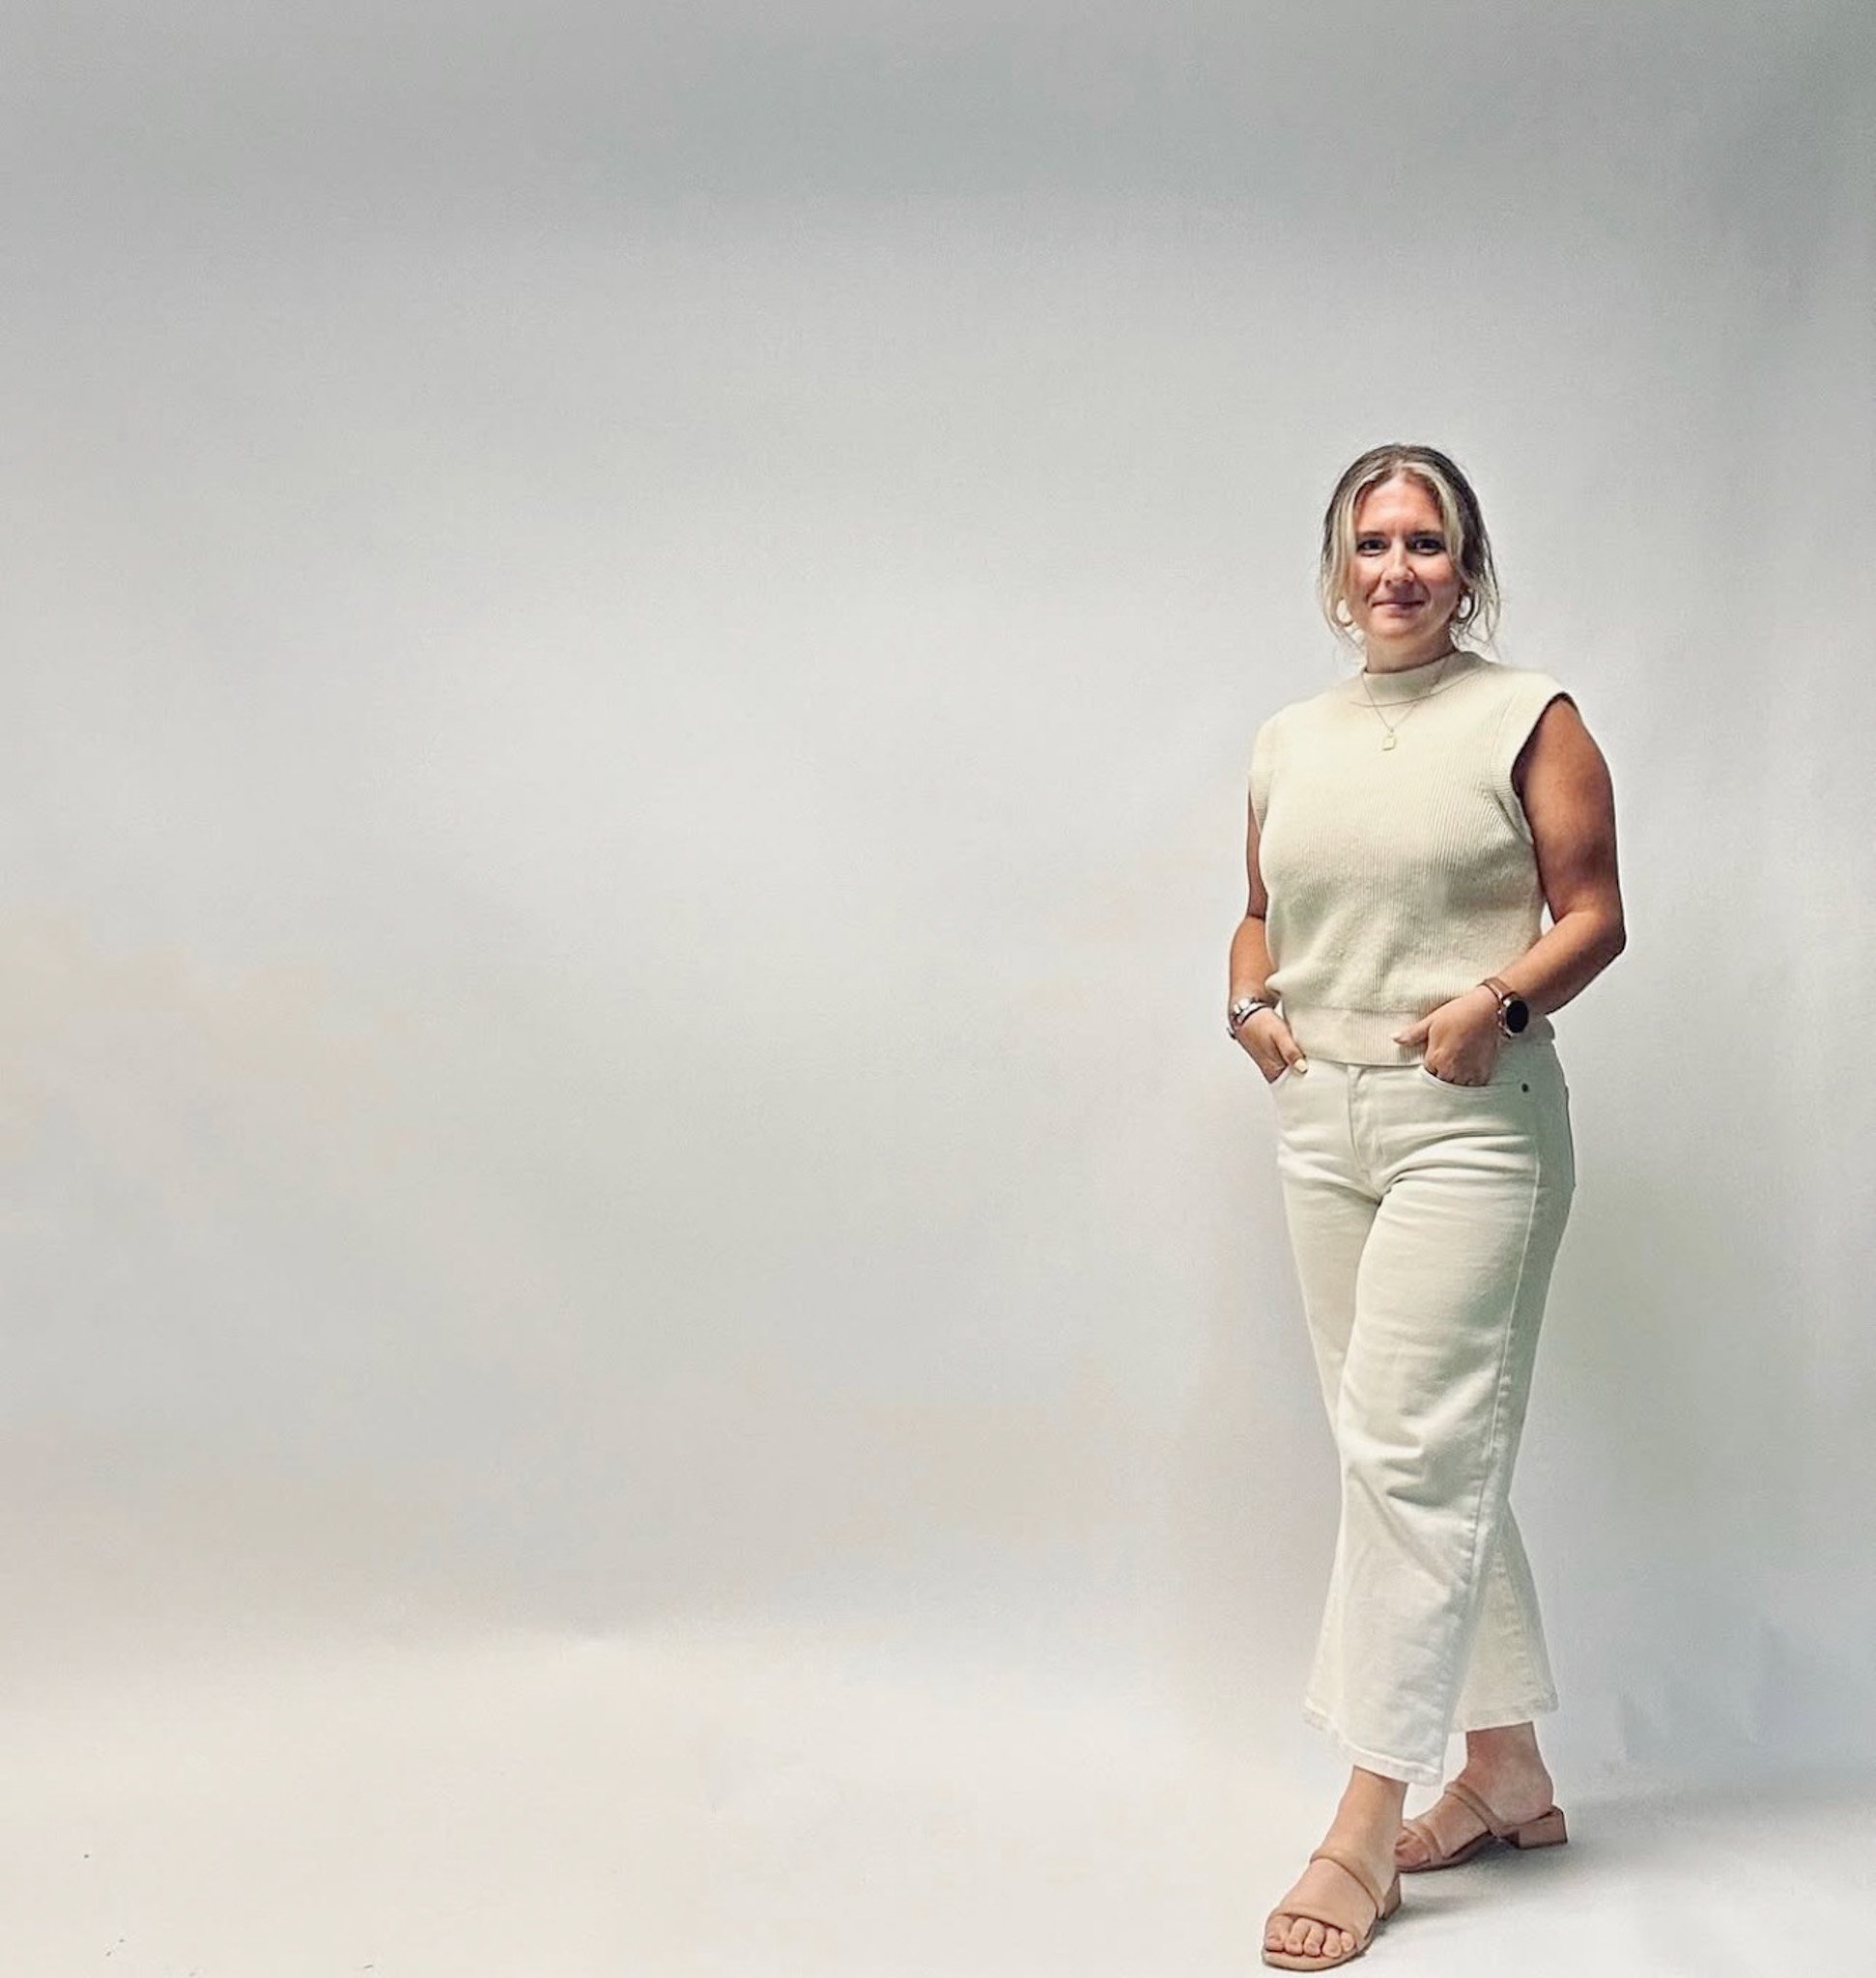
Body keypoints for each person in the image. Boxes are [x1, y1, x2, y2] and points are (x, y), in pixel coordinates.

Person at [1227, 443, 1627, 1971]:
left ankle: (1360, 1818)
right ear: (1336, 568)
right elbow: (1263, 906)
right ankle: (1507, 1770)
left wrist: (1491, 1009)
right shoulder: (1287, 736)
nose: (1397, 569)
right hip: (1318, 1121)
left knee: (1408, 1452)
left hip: (1472, 1120)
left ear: (1467, 565)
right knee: (1403, 1452)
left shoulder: (1528, 716)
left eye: (1428, 543)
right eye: (1371, 542)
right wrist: (1247, 1006)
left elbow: (1591, 913)